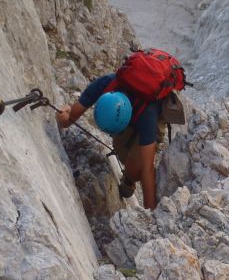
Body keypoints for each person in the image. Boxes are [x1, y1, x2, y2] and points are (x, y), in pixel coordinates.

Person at [55, 73, 166, 210]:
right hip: (130, 113)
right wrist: (64, 115)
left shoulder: (148, 117)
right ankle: (129, 176)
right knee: (121, 150)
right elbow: (68, 119)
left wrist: (151, 213)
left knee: (139, 166)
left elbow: (147, 169)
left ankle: (130, 178)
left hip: (152, 108)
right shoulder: (104, 84)